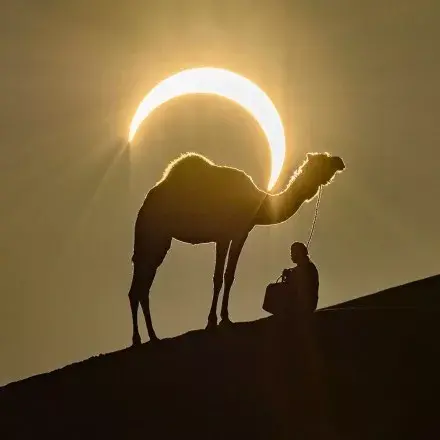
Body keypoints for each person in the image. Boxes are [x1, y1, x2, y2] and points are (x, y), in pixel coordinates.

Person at [280, 242, 319, 316]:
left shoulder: (308, 267)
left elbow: (301, 279)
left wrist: (289, 274)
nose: (291, 255)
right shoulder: (305, 266)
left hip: (305, 306)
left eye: (292, 252)